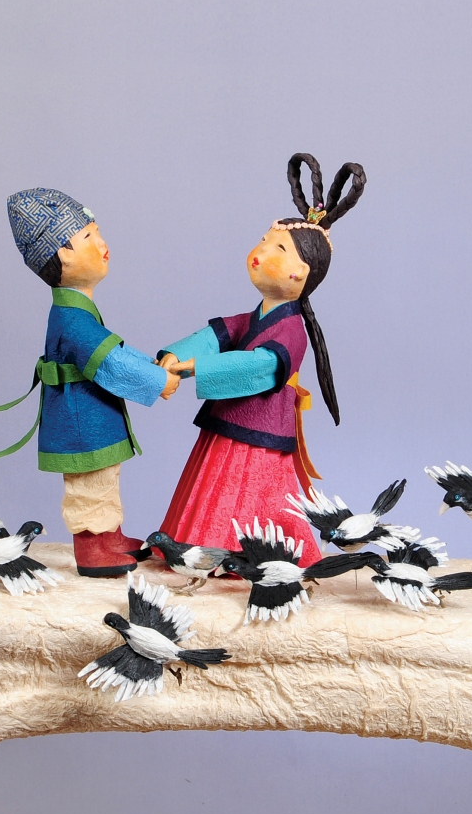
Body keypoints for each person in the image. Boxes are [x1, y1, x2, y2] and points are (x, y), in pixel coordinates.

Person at [156, 154, 366, 567]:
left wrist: (197, 368)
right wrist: (175, 354)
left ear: (301, 273)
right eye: (265, 240)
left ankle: (237, 559)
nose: (262, 250)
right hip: (229, 424)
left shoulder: (291, 330)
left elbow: (260, 367)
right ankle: (199, 553)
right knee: (216, 489)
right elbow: (216, 334)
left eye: (279, 248)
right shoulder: (254, 317)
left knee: (256, 493)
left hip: (262, 431)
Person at [0, 188, 179, 577]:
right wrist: (157, 379)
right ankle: (94, 549)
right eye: (89, 237)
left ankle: (110, 537)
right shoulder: (74, 320)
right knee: (90, 484)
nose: (102, 244)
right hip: (82, 421)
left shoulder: (78, 312)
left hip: (89, 415)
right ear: (64, 254)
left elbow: (113, 348)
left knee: (103, 479)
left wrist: (151, 365)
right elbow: (109, 361)